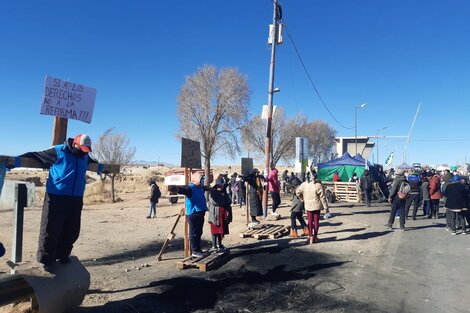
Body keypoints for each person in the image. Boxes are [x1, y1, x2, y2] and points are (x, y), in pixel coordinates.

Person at [20, 134, 98, 269]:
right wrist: (15, 161)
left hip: (76, 198)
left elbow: (93, 163)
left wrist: (103, 168)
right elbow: (36, 155)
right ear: (75, 144)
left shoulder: (84, 155)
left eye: (87, 150)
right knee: (51, 228)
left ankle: (63, 255)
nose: (84, 153)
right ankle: (46, 260)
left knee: (72, 229)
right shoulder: (59, 151)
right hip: (57, 196)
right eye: (83, 149)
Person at [169, 172, 208, 257]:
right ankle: (195, 251)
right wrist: (175, 189)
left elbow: (206, 188)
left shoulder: (200, 187)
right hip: (193, 214)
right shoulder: (191, 187)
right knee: (194, 233)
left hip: (200, 213)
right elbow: (183, 190)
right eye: (201, 179)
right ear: (196, 179)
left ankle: (198, 249)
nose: (202, 181)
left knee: (199, 232)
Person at [296, 174, 329, 244]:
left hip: (308, 206)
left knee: (310, 221)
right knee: (316, 221)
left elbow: (297, 192)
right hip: (316, 205)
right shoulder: (318, 185)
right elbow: (323, 197)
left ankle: (310, 236)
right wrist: (326, 208)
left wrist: (302, 199)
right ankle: (315, 237)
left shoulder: (304, 184)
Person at [208, 178, 233, 252]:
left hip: (222, 214)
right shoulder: (213, 192)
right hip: (215, 214)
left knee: (220, 230)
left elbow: (229, 201)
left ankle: (219, 244)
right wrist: (224, 201)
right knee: (214, 230)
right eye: (219, 185)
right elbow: (215, 202)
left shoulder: (224, 192)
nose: (220, 187)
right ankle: (214, 245)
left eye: (221, 185)